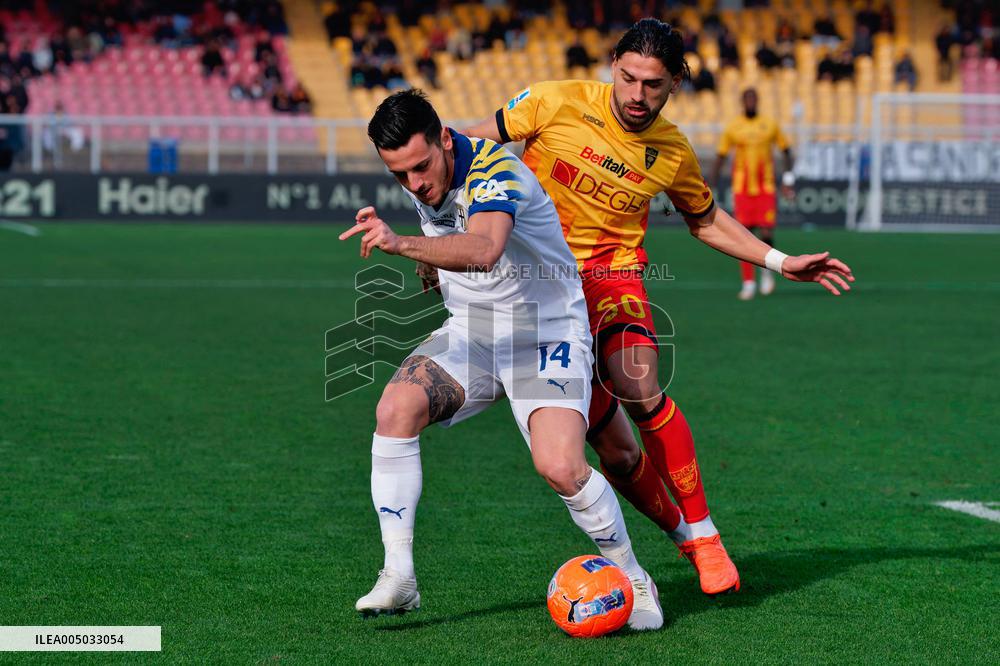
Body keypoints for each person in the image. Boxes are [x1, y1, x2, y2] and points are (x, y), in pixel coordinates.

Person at [465, 18, 854, 596]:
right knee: (616, 453)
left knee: (640, 386)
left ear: (675, 83)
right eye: (628, 79)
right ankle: (681, 536)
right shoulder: (553, 101)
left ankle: (706, 533)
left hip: (610, 279)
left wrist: (778, 260)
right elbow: (470, 149)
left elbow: (705, 219)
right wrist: (448, 232)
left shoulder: (671, 150)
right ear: (612, 67)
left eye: (653, 84)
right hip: (535, 289)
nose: (637, 96)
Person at [343, 89, 663, 629]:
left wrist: (402, 246)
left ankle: (633, 576)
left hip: (546, 333)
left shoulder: (495, 169)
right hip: (474, 334)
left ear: (446, 139)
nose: (415, 184)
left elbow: (486, 246)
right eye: (399, 176)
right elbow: (449, 235)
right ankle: (399, 576)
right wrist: (433, 264)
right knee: (394, 412)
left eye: (420, 166)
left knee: (560, 466)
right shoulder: (427, 178)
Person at [713, 88, 796, 300]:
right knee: (744, 236)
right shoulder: (733, 127)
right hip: (742, 190)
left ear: (757, 101)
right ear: (742, 102)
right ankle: (748, 282)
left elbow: (786, 151)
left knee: (767, 233)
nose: (750, 102)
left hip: (765, 188)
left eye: (753, 99)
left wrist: (787, 180)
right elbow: (721, 156)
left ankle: (767, 273)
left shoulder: (769, 124)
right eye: (747, 99)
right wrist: (710, 184)